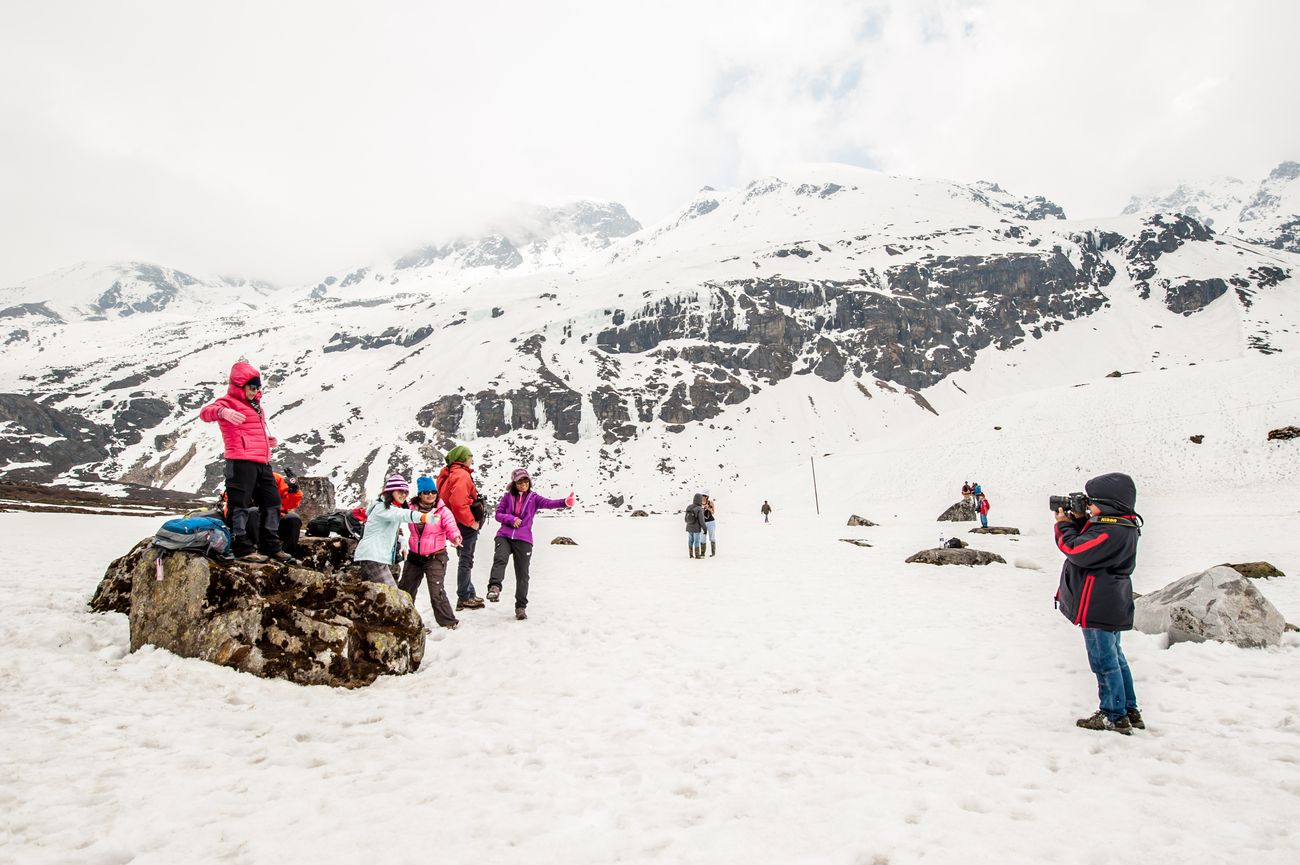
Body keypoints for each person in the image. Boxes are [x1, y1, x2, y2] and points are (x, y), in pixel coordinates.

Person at [1054, 472, 1145, 736]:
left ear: (1107, 504)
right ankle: (1128, 709)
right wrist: (1082, 520)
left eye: (1091, 502)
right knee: (1115, 658)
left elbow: (1076, 550)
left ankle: (1113, 714)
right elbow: (1090, 539)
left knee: (1103, 661)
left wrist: (1063, 525)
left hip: (1097, 605)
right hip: (1107, 602)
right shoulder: (1120, 525)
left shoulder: (1111, 530)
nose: (1088, 506)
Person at [198, 360, 286, 562]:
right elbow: (205, 413)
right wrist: (222, 412)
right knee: (239, 506)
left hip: (261, 462)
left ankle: (271, 546)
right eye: (252, 387)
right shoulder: (227, 402)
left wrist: (266, 441)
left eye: (258, 388)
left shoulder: (257, 407)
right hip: (240, 462)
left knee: (273, 503)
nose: (255, 391)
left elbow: (253, 430)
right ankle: (242, 548)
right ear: (240, 386)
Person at [487, 468, 574, 620]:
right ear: (514, 483)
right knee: (500, 559)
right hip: (504, 536)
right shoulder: (507, 497)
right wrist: (511, 519)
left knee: (523, 575)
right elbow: (498, 515)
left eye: (526, 480)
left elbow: (548, 503)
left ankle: (520, 607)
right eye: (520, 481)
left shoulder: (533, 498)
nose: (523, 484)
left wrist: (565, 502)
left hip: (524, 539)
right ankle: (494, 587)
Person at [398, 475, 463, 629]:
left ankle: (448, 623)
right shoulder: (411, 508)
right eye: (426, 492)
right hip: (414, 556)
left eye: (433, 492)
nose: (430, 495)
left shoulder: (442, 511)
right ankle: (403, 620)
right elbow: (395, 514)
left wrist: (455, 538)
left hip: (436, 556)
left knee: (436, 591)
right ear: (420, 494)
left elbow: (451, 526)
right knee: (406, 588)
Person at [353, 475, 441, 587]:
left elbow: (385, 530)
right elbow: (401, 515)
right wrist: (423, 517)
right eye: (400, 491)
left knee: (382, 595)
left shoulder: (389, 507)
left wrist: (401, 540)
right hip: (372, 556)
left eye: (406, 492)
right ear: (391, 491)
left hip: (375, 556)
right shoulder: (383, 508)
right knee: (392, 593)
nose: (403, 494)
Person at [436, 445, 486, 611]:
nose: (472, 459)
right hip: (464, 525)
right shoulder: (462, 475)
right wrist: (471, 522)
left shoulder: (449, 473)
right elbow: (458, 503)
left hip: (454, 524)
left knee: (465, 558)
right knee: (466, 560)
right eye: (470, 456)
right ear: (463, 458)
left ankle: (469, 592)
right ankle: (464, 596)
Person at [275, 468, 304, 556]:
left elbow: (289, 504)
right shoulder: (241, 478)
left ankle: (288, 554)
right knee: (253, 513)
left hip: (276, 518)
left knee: (293, 519)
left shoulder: (276, 478)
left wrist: (294, 490)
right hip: (254, 520)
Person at [685, 494, 708, 558]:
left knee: (690, 540)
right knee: (696, 541)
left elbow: (686, 518)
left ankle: (690, 554)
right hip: (696, 528)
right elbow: (701, 521)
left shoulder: (689, 506)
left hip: (689, 526)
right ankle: (697, 555)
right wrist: (705, 529)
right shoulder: (699, 508)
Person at [702, 492, 718, 557]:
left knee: (712, 537)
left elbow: (713, 512)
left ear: (707, 497)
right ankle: (702, 553)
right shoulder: (699, 503)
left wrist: (708, 508)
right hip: (703, 522)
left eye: (704, 496)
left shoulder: (710, 502)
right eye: (702, 496)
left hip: (711, 521)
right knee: (702, 537)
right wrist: (702, 508)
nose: (703, 497)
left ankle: (713, 553)